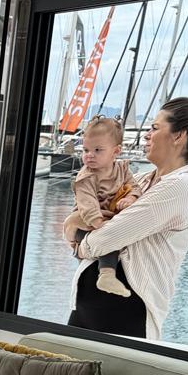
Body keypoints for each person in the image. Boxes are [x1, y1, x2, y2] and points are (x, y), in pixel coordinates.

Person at [67, 96, 188, 340]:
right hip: (88, 309)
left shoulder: (179, 188)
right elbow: (84, 215)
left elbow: (102, 239)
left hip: (126, 314)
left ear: (178, 136)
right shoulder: (142, 181)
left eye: (154, 128)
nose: (146, 135)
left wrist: (79, 241)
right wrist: (75, 228)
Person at [61, 117, 138, 298]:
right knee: (107, 240)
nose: (89, 155)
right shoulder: (86, 177)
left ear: (116, 151)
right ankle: (107, 275)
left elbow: (134, 186)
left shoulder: (122, 170)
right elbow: (87, 203)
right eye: (86, 150)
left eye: (97, 150)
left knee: (111, 242)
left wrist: (131, 198)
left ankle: (106, 276)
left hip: (108, 218)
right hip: (85, 221)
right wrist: (99, 224)